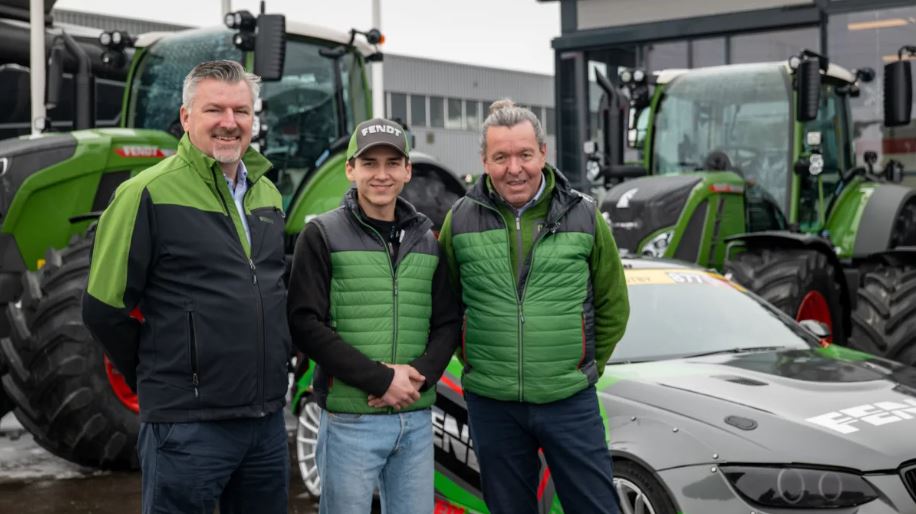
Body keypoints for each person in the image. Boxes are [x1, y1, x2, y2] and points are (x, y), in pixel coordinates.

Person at [82, 60, 291, 514]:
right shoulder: (146, 193)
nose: (230, 122)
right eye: (215, 109)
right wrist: (165, 375)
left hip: (265, 424)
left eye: (241, 111)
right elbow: (102, 308)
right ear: (186, 116)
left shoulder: (268, 195)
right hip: (188, 427)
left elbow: (270, 290)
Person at [438, 99, 630, 513]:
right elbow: (447, 307)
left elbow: (613, 304)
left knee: (596, 507)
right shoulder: (460, 220)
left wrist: (579, 365)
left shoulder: (584, 216)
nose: (515, 168)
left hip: (569, 400)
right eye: (501, 157)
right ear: (485, 161)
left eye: (525, 155)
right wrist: (479, 360)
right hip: (493, 405)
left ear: (543, 153)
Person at [287, 117, 461, 514]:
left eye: (392, 163)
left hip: (414, 419)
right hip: (350, 421)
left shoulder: (426, 240)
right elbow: (304, 324)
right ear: (351, 169)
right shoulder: (322, 235)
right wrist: (382, 380)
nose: (381, 174)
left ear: (407, 170)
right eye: (369, 163)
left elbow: (448, 321)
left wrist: (418, 376)